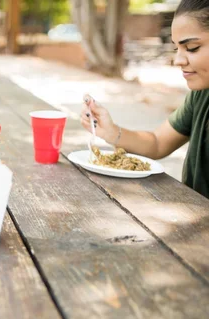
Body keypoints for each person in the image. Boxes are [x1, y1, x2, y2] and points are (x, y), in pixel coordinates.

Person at [81, 0, 209, 199]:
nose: (178, 61)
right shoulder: (200, 95)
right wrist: (112, 131)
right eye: (177, 49)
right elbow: (157, 143)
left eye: (191, 48)